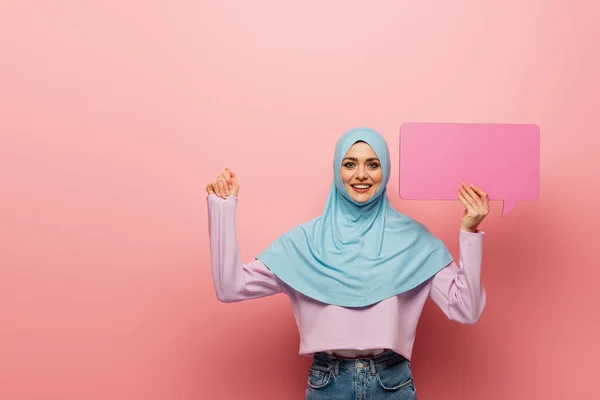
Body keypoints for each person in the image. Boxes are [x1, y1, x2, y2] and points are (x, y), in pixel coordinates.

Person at [205, 127, 489, 399]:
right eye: (350, 164)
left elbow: (467, 309)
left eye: (373, 164)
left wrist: (469, 232)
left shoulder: (414, 241)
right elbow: (231, 287)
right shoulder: (305, 242)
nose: (362, 175)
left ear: (385, 170)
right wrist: (222, 209)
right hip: (328, 384)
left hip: (392, 384)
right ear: (337, 171)